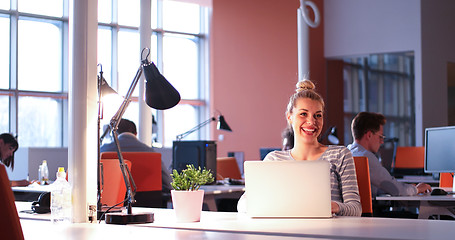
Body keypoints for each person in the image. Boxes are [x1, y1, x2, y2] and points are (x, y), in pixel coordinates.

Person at [238, 79, 362, 216]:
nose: (311, 121)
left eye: (318, 116)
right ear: (289, 117)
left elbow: (356, 209)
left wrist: (334, 207)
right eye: (303, 114)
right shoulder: (274, 159)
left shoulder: (340, 155)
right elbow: (243, 204)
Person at [347, 112, 432, 197]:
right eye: (380, 137)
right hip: (368, 210)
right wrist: (417, 189)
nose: (382, 142)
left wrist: (407, 187)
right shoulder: (366, 157)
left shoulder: (347, 153)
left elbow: (376, 188)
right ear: (369, 135)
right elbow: (396, 190)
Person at [100, 119, 172, 193]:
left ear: (115, 134)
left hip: (111, 201)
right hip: (148, 201)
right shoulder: (150, 152)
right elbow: (168, 183)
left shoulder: (103, 150)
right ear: (136, 133)